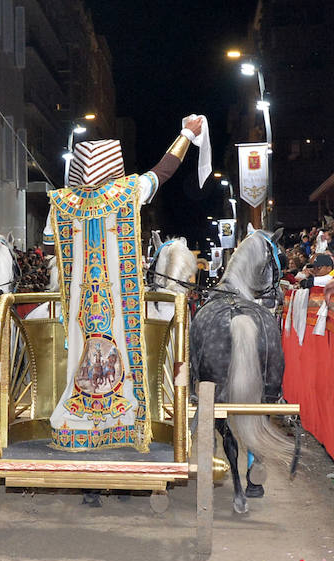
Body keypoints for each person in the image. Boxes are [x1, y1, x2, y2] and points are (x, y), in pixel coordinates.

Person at [43, 116, 205, 452]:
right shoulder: (126, 192)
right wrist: (187, 134)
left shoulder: (61, 202)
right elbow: (163, 171)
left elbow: (47, 244)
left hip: (79, 305)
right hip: (120, 300)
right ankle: (126, 418)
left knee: (77, 350)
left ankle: (78, 417)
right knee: (131, 351)